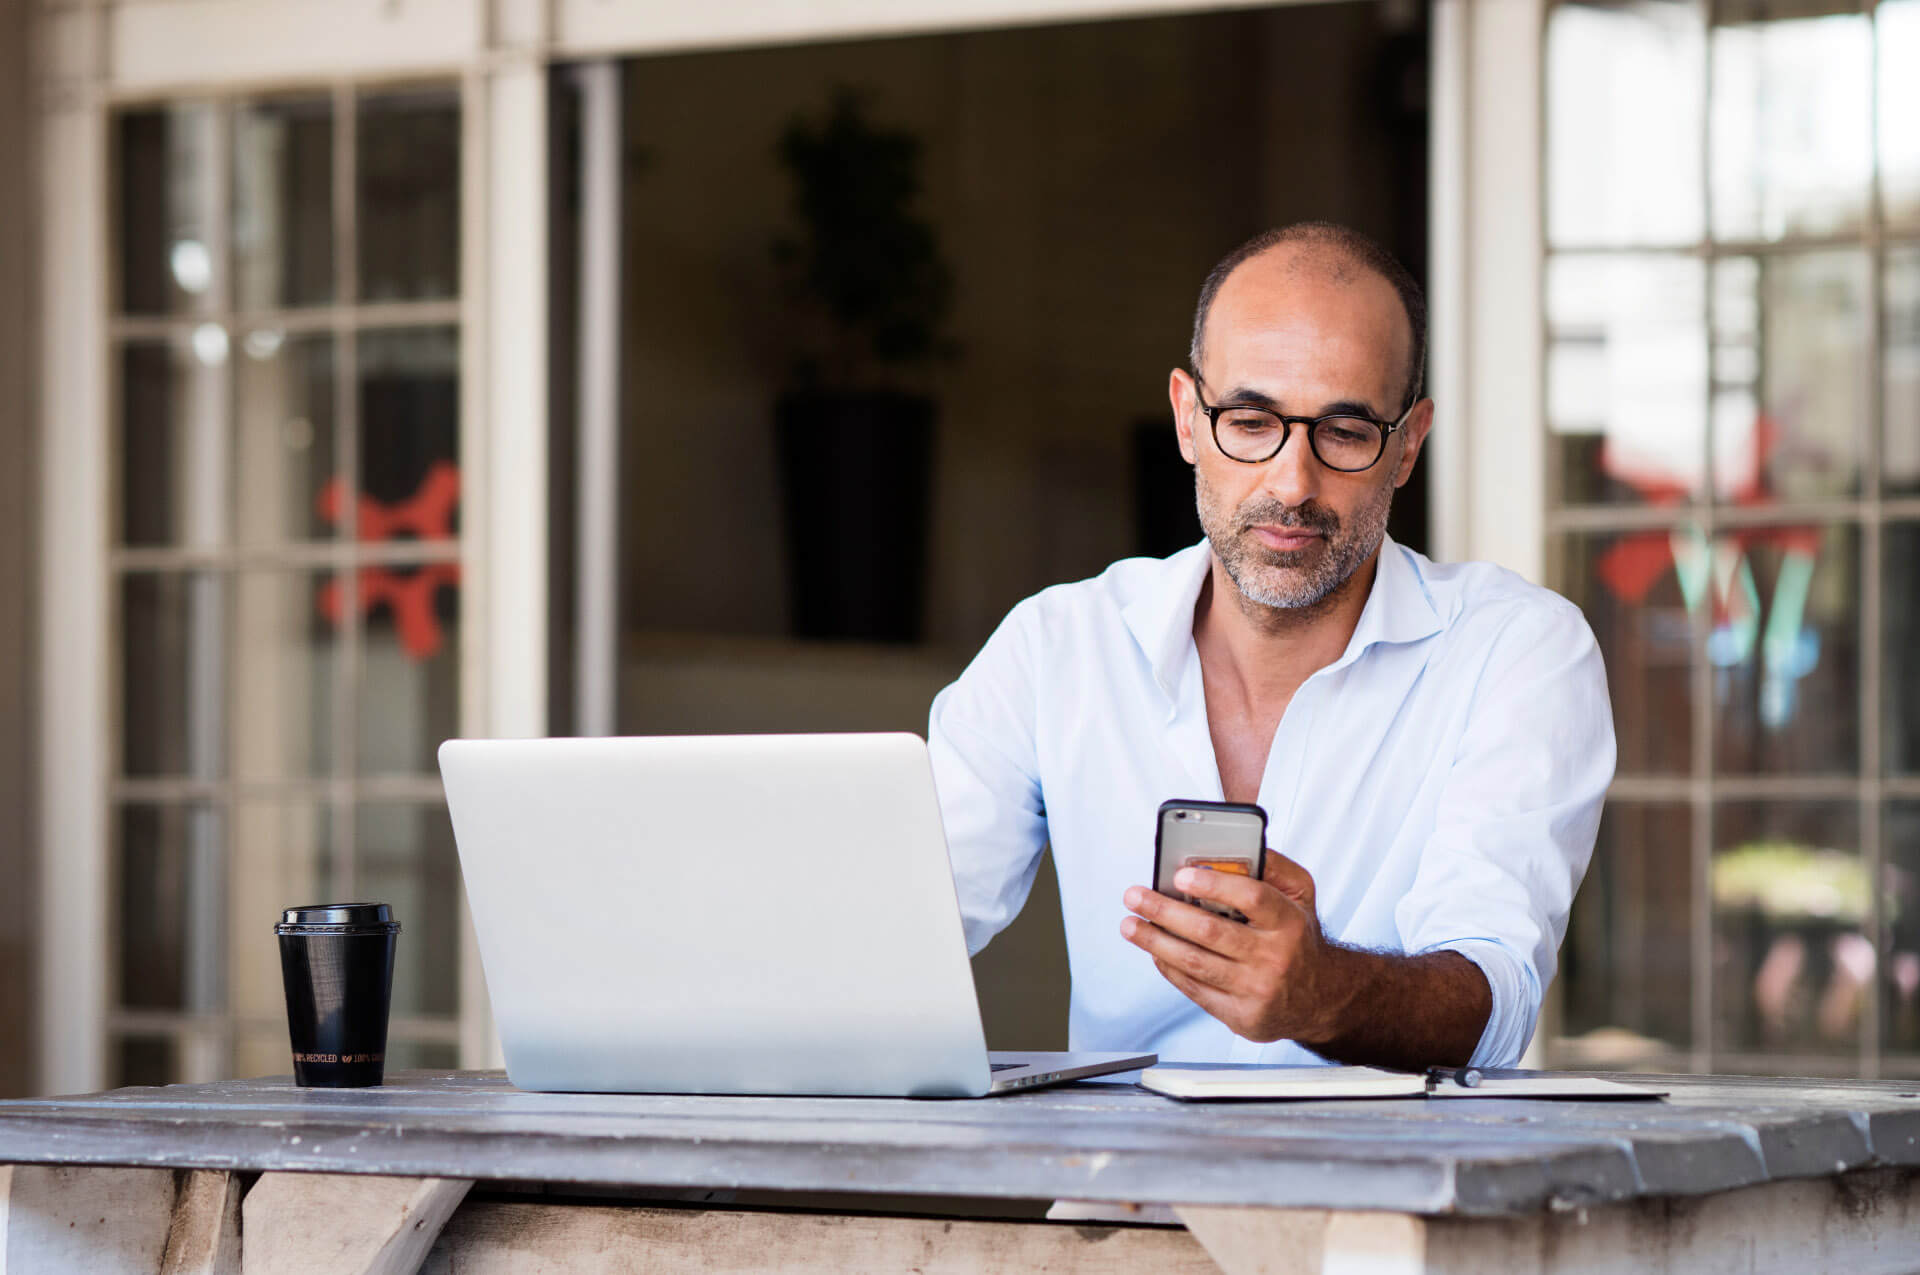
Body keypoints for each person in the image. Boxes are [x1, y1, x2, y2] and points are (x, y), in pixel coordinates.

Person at [927, 222, 1614, 1070]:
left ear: (1408, 444)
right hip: (1119, 1194)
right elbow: (893, 928)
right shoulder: (1058, 648)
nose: (1292, 484)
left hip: (1393, 1194)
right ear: (1187, 417)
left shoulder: (1516, 651)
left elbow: (1496, 994)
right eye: (1249, 422)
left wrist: (1325, 991)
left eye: (1347, 431)